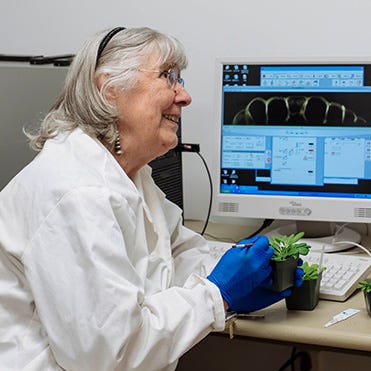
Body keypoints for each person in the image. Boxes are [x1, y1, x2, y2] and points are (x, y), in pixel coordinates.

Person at [0, 27, 303, 371]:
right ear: (109, 90)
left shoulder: (129, 174)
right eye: (168, 77)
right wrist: (217, 295)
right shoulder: (77, 192)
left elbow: (176, 252)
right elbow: (109, 355)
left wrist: (245, 275)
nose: (185, 96)